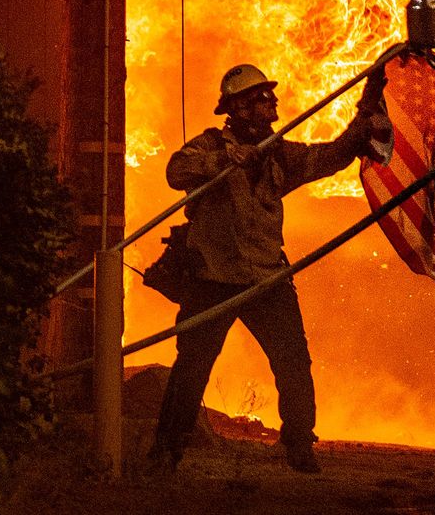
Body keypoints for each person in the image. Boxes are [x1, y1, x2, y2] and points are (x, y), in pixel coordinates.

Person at [146, 62, 390, 474]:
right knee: (191, 369)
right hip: (212, 278)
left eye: (269, 96)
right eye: (261, 98)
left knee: (293, 363)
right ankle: (165, 453)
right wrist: (224, 160)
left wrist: (366, 111)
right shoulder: (208, 146)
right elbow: (175, 171)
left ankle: (298, 444)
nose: (271, 101)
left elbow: (331, 156)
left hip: (266, 278)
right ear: (238, 108)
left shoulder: (277, 155)